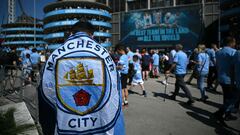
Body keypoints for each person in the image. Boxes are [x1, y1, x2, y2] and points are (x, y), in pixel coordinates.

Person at [40, 21, 125, 135]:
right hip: (100, 124)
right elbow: (114, 91)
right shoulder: (103, 54)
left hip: (66, 124)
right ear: (92, 35)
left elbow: (46, 92)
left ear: (71, 33)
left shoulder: (55, 55)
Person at [214, 37, 237, 125]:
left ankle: (226, 113)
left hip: (221, 77)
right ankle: (222, 113)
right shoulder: (233, 52)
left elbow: (217, 65)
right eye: (234, 43)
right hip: (230, 79)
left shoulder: (218, 52)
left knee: (227, 97)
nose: (234, 44)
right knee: (232, 98)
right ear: (231, 43)